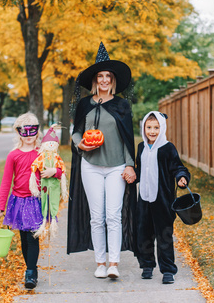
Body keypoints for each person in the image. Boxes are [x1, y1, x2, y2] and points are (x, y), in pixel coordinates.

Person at [67, 42, 137, 279]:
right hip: (91, 167)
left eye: (108, 76)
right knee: (96, 216)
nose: (104, 80)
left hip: (116, 167)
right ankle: (100, 262)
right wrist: (80, 144)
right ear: (95, 80)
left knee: (113, 215)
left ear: (113, 80)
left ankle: (114, 263)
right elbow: (76, 131)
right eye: (100, 76)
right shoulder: (85, 105)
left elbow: (128, 137)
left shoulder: (121, 105)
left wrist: (130, 164)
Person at [0, 112, 63, 290]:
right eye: (25, 131)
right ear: (19, 133)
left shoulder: (43, 153)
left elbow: (60, 170)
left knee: (33, 238)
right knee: (24, 239)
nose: (29, 135)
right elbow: (6, 182)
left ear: (37, 132)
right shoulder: (13, 156)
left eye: (32, 131)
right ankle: (30, 268)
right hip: (18, 201)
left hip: (36, 201)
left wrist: (53, 172)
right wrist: (0, 206)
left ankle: (31, 272)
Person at [135, 111, 190, 284]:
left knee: (164, 235)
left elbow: (178, 167)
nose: (152, 131)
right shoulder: (141, 147)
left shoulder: (168, 148)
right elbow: (138, 170)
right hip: (144, 199)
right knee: (144, 233)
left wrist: (182, 177)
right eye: (149, 127)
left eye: (156, 128)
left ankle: (168, 270)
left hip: (162, 201)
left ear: (162, 128)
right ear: (144, 128)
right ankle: (147, 265)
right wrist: (130, 174)